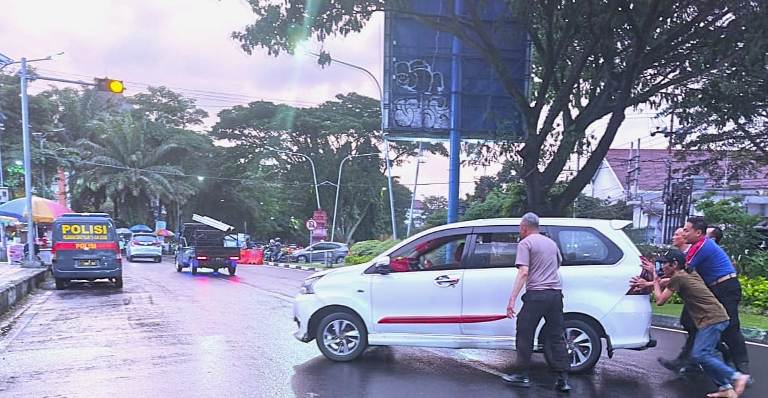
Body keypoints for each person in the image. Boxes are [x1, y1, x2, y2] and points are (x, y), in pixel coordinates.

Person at [651, 249, 749, 397]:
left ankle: (737, 377)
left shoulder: (679, 278)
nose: (662, 266)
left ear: (674, 264)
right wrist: (654, 279)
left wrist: (654, 282)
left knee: (700, 355)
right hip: (714, 317)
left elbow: (660, 300)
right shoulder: (688, 272)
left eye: (664, 263)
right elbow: (667, 281)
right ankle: (726, 389)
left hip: (712, 319)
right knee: (705, 355)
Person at [502, 212, 571, 392]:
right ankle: (563, 379)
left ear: (524, 227)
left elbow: (524, 272)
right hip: (555, 295)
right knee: (556, 335)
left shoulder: (525, 243)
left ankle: (522, 374)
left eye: (520, 228)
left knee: (525, 332)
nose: (520, 231)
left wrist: (512, 299)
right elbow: (557, 265)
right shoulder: (551, 243)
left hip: (536, 295)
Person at [684, 217, 750, 376]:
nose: (683, 233)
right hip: (714, 288)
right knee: (695, 323)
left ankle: (742, 366)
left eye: (687, 230)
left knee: (731, 326)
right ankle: (695, 362)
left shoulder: (701, 246)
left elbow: (682, 270)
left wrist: (656, 280)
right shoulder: (696, 246)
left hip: (726, 287)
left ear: (698, 232)